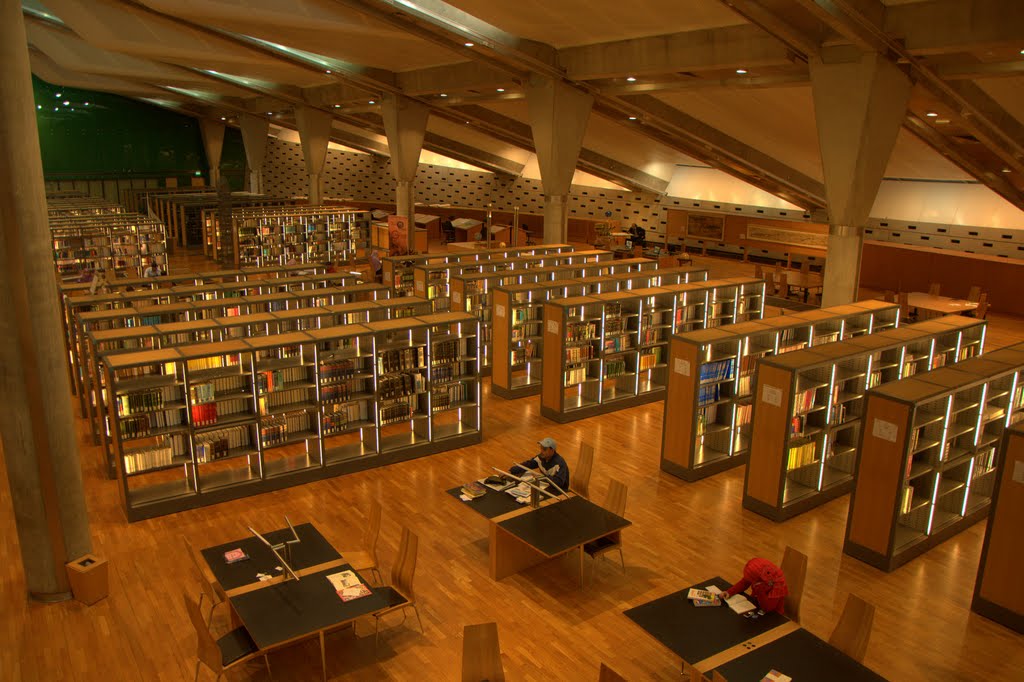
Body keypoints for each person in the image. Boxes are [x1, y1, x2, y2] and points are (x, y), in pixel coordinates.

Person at [722, 557, 788, 615]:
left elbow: (768, 608)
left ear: (760, 579)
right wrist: (729, 592)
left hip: (772, 616)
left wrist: (760, 590)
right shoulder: (759, 575)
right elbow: (744, 582)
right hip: (756, 605)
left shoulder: (777, 585)